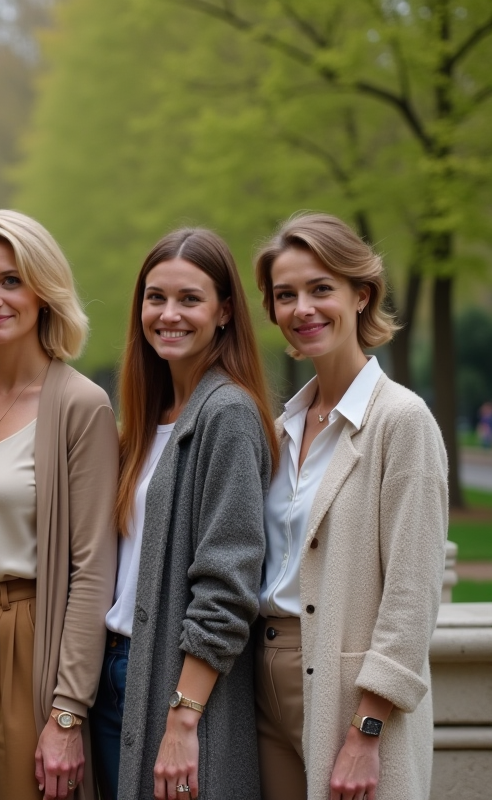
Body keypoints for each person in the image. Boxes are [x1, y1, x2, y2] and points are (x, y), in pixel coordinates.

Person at [253, 212, 447, 800]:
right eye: (286, 295)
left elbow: (413, 592)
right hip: (262, 687)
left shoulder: (402, 420)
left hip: (349, 697)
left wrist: (367, 730)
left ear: (361, 295)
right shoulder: (281, 426)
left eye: (320, 289)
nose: (302, 309)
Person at [0, 210, 119, 800]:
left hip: (26, 641)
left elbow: (92, 569)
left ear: (44, 290)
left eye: (11, 280)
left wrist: (67, 711)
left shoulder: (81, 406)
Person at [104, 228, 276, 800]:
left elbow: (228, 586)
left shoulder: (226, 414)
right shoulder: (147, 420)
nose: (168, 314)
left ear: (225, 312)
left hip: (169, 682)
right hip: (115, 678)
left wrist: (183, 719)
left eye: (189, 299)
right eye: (156, 298)